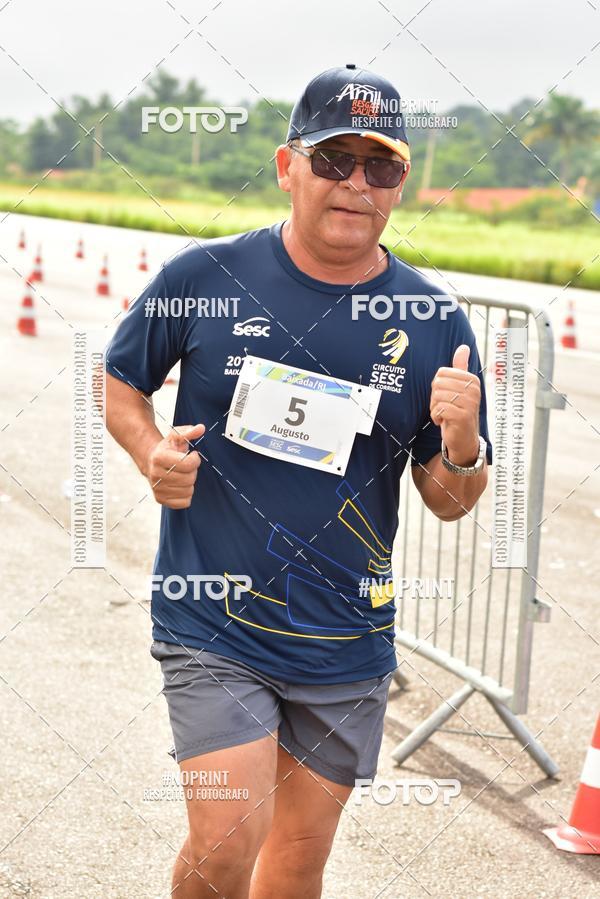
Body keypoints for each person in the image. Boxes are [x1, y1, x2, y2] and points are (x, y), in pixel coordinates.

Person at [105, 64, 492, 899]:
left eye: (379, 166)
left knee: (298, 859)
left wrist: (460, 443)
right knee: (226, 836)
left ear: (400, 184)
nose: (356, 183)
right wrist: (149, 455)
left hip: (347, 637)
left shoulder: (433, 320)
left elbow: (449, 500)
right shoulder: (202, 278)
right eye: (334, 159)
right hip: (216, 619)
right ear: (289, 166)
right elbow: (121, 382)